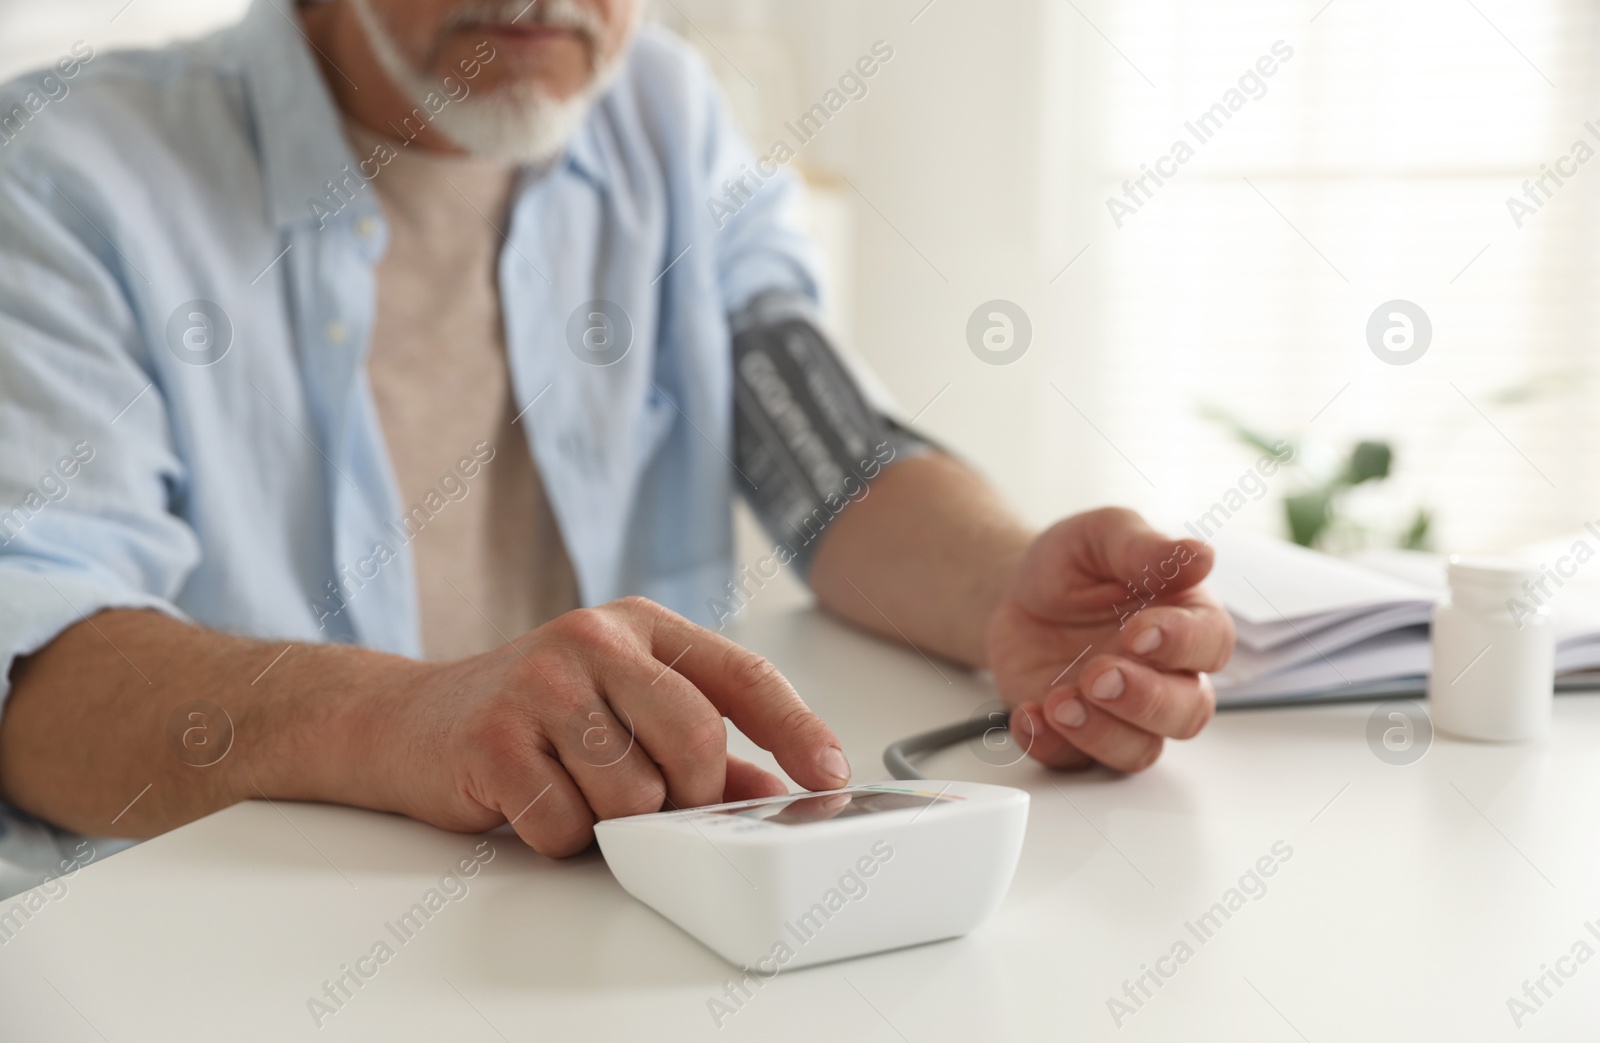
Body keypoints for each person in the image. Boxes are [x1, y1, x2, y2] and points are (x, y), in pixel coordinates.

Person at [0, 0, 1234, 869]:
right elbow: (28, 659)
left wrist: (1000, 589)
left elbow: (822, 445)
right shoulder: (64, 170)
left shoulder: (658, 110)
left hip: (615, 921)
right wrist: (406, 718)